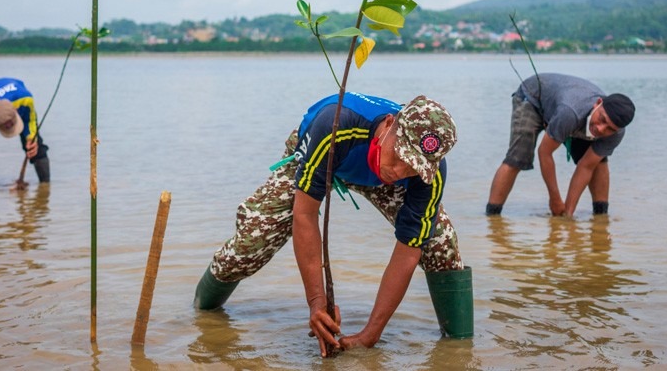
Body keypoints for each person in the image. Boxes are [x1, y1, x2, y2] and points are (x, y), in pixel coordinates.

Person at [194, 92, 473, 357]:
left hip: (369, 170)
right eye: (400, 156)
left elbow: (409, 249)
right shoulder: (335, 125)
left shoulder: (428, 175)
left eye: (412, 167)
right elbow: (304, 215)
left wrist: (370, 334)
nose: (399, 171)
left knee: (439, 244)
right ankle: (201, 312)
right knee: (252, 243)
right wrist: (316, 302)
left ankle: (459, 349)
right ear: (389, 124)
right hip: (322, 152)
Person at [486, 73, 635, 217]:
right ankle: (491, 217)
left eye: (610, 128)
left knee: (599, 162)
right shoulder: (570, 112)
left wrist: (568, 214)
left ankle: (601, 217)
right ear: (598, 104)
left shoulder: (616, 134)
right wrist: (555, 199)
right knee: (517, 158)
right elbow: (544, 153)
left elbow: (586, 166)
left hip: (564, 108)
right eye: (602, 119)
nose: (601, 129)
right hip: (532, 99)